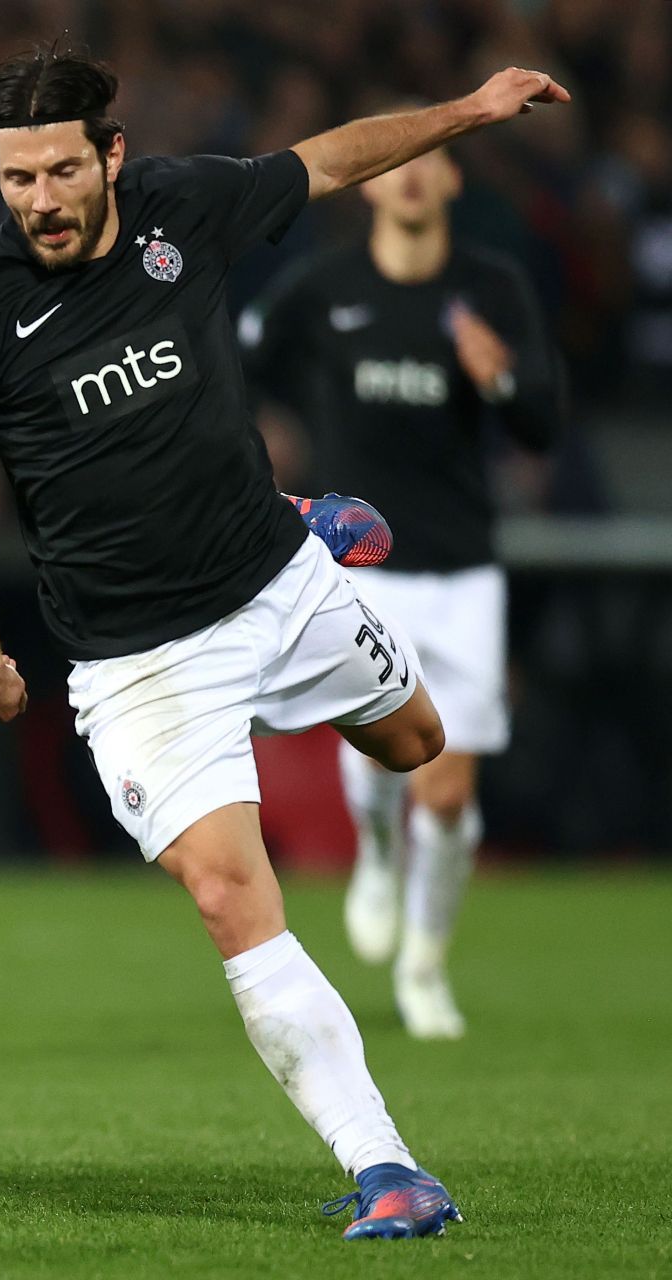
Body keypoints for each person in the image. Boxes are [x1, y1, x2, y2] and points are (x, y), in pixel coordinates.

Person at [0, 45, 567, 1240]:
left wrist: (470, 109)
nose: (39, 200)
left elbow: (329, 159)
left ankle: (300, 516)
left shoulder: (183, 207)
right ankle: (389, 1167)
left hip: (278, 578)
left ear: (111, 156)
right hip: (146, 659)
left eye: (60, 171)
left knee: (420, 745)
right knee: (228, 893)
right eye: (15, 180)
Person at [240, 140, 561, 1040]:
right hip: (359, 569)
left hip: (460, 567)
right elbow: (235, 367)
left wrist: (497, 374)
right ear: (373, 181)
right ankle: (377, 849)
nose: (414, 172)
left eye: (436, 160)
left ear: (455, 179)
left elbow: (543, 422)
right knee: (387, 754)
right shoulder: (322, 287)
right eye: (399, 159)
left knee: (450, 793)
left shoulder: (492, 288)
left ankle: (424, 967)